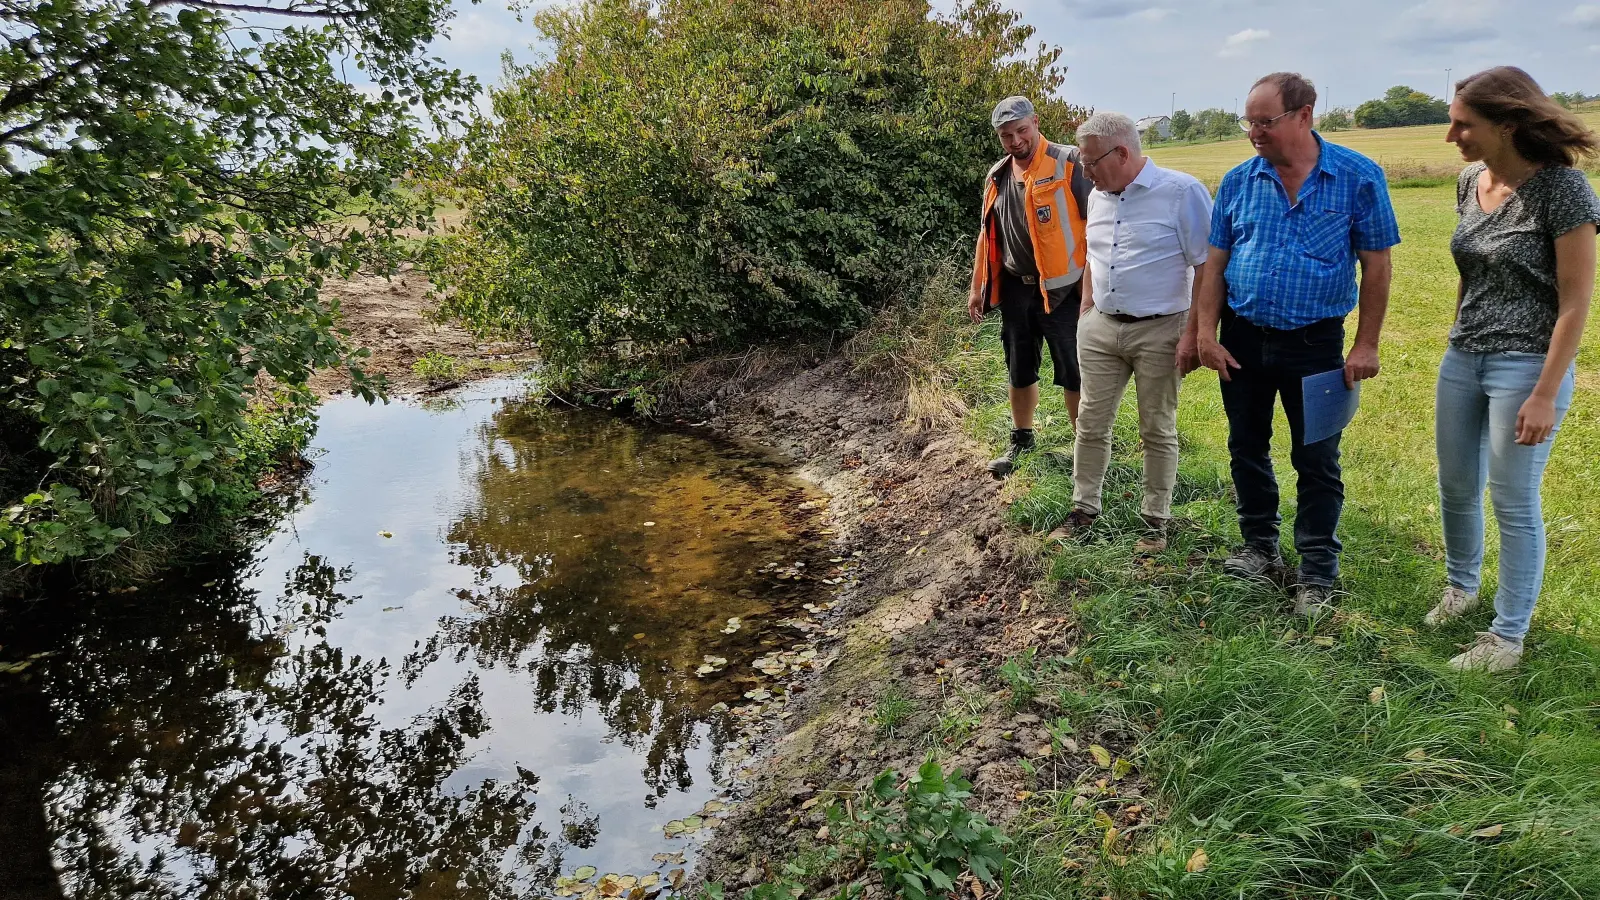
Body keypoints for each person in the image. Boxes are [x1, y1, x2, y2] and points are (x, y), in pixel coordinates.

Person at [1195, 72, 1400, 616]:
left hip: (1315, 345)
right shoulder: (1239, 181)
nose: (1254, 133)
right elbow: (1215, 265)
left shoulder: (1357, 178)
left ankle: (1316, 572)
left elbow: (1377, 266)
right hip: (1242, 338)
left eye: (1266, 121)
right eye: (1250, 122)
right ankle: (1259, 547)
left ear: (1304, 115)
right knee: (1246, 446)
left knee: (1316, 459)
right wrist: (1203, 335)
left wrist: (1367, 344)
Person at [1424, 66, 1600, 673]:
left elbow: (1577, 301)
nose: (1453, 136)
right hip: (1463, 356)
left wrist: (1546, 393)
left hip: (1525, 367)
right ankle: (1461, 588)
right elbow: (1471, 274)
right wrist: (1457, 339)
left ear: (1506, 123)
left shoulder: (1564, 192)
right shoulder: (1471, 179)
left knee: (1513, 499)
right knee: (1454, 486)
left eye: (1462, 124)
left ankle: (1507, 638)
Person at [1057, 111, 1212, 551]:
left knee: (1156, 428)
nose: (1085, 172)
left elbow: (1206, 267)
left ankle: (1154, 522)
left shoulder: (1181, 193)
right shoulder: (1099, 195)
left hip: (1161, 330)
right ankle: (1084, 508)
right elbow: (1093, 253)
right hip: (1102, 328)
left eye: (1090, 162)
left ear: (1122, 152)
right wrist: (1087, 308)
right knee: (1090, 422)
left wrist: (1193, 334)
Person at [968, 96, 1095, 479]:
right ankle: (1021, 439)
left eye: (1021, 130)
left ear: (1035, 122)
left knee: (1072, 369)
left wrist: (1090, 289)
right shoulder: (998, 175)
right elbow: (986, 234)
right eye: (1007, 135)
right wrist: (977, 287)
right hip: (1016, 290)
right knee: (1018, 367)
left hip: (1065, 290)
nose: (1015, 140)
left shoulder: (1070, 162)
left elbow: (1099, 226)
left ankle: (1083, 449)